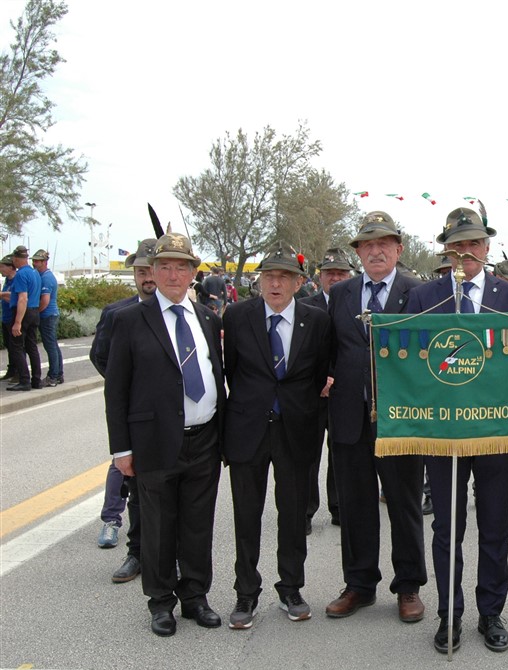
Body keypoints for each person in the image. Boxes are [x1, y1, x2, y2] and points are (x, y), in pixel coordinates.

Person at [407, 206, 508, 654]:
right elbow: (413, 364)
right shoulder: (427, 296)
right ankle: (449, 614)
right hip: (443, 433)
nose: (465, 253)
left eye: (473, 244)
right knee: (447, 529)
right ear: (446, 250)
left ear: (487, 247)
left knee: (496, 525)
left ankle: (491, 612)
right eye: (457, 246)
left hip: (495, 430)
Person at [104, 231, 224, 637]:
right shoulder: (129, 320)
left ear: (193, 273)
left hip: (204, 438)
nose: (174, 274)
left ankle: (195, 596)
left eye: (182, 267)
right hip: (154, 441)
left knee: (197, 523)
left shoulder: (207, 318)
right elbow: (116, 389)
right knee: (157, 526)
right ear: (152, 272)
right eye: (166, 266)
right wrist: (121, 449)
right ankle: (160, 602)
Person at [323, 212, 428, 628]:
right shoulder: (341, 294)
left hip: (401, 419)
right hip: (350, 416)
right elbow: (329, 350)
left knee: (404, 505)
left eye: (384, 244)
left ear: (399, 250)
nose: (376, 251)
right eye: (367, 245)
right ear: (358, 253)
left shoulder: (419, 292)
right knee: (355, 506)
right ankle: (359, 585)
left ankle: (408, 587)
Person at [222, 244, 332, 629]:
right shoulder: (237, 317)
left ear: (299, 283)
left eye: (284, 277)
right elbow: (231, 370)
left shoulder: (316, 321)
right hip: (248, 428)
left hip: (296, 429)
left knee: (293, 513)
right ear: (259, 281)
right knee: (246, 514)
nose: (275, 283)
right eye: (268, 276)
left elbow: (320, 373)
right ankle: (245, 593)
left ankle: (291, 587)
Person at [90, 238, 157, 582]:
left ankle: (167, 555)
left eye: (151, 269)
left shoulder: (181, 312)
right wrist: (129, 388)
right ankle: (136, 551)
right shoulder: (117, 314)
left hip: (170, 418)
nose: (147, 276)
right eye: (141, 270)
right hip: (134, 415)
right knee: (134, 485)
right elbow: (100, 357)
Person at [301, 248, 353, 532]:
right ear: (319, 276)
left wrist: (335, 377)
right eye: (330, 273)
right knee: (308, 452)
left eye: (341, 273)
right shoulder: (305, 305)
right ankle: (306, 511)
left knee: (340, 451)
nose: (335, 278)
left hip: (344, 390)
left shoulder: (356, 303)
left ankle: (339, 507)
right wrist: (322, 377)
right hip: (312, 390)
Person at [6, 245, 42, 391]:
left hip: (23, 312)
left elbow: (22, 299)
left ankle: (24, 380)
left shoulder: (21, 275)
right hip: (34, 311)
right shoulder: (35, 273)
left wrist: (17, 322)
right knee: (32, 346)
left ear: (15, 258)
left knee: (16, 347)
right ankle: (36, 380)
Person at [31, 250, 63, 386]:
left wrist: (34, 313)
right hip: (50, 314)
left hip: (47, 315)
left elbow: (45, 301)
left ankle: (53, 376)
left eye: (37, 261)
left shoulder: (46, 278)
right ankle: (58, 374)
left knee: (50, 346)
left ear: (44, 262)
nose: (34, 263)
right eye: (34, 261)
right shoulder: (44, 275)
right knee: (53, 345)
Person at [0, 255, 17, 381]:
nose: (0, 270)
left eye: (2, 267)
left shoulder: (16, 280)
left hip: (13, 317)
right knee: (9, 346)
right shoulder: (7, 281)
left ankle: (18, 372)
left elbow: (14, 297)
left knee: (16, 347)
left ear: (11, 267)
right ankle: (11, 370)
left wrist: (2, 294)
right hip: (5, 318)